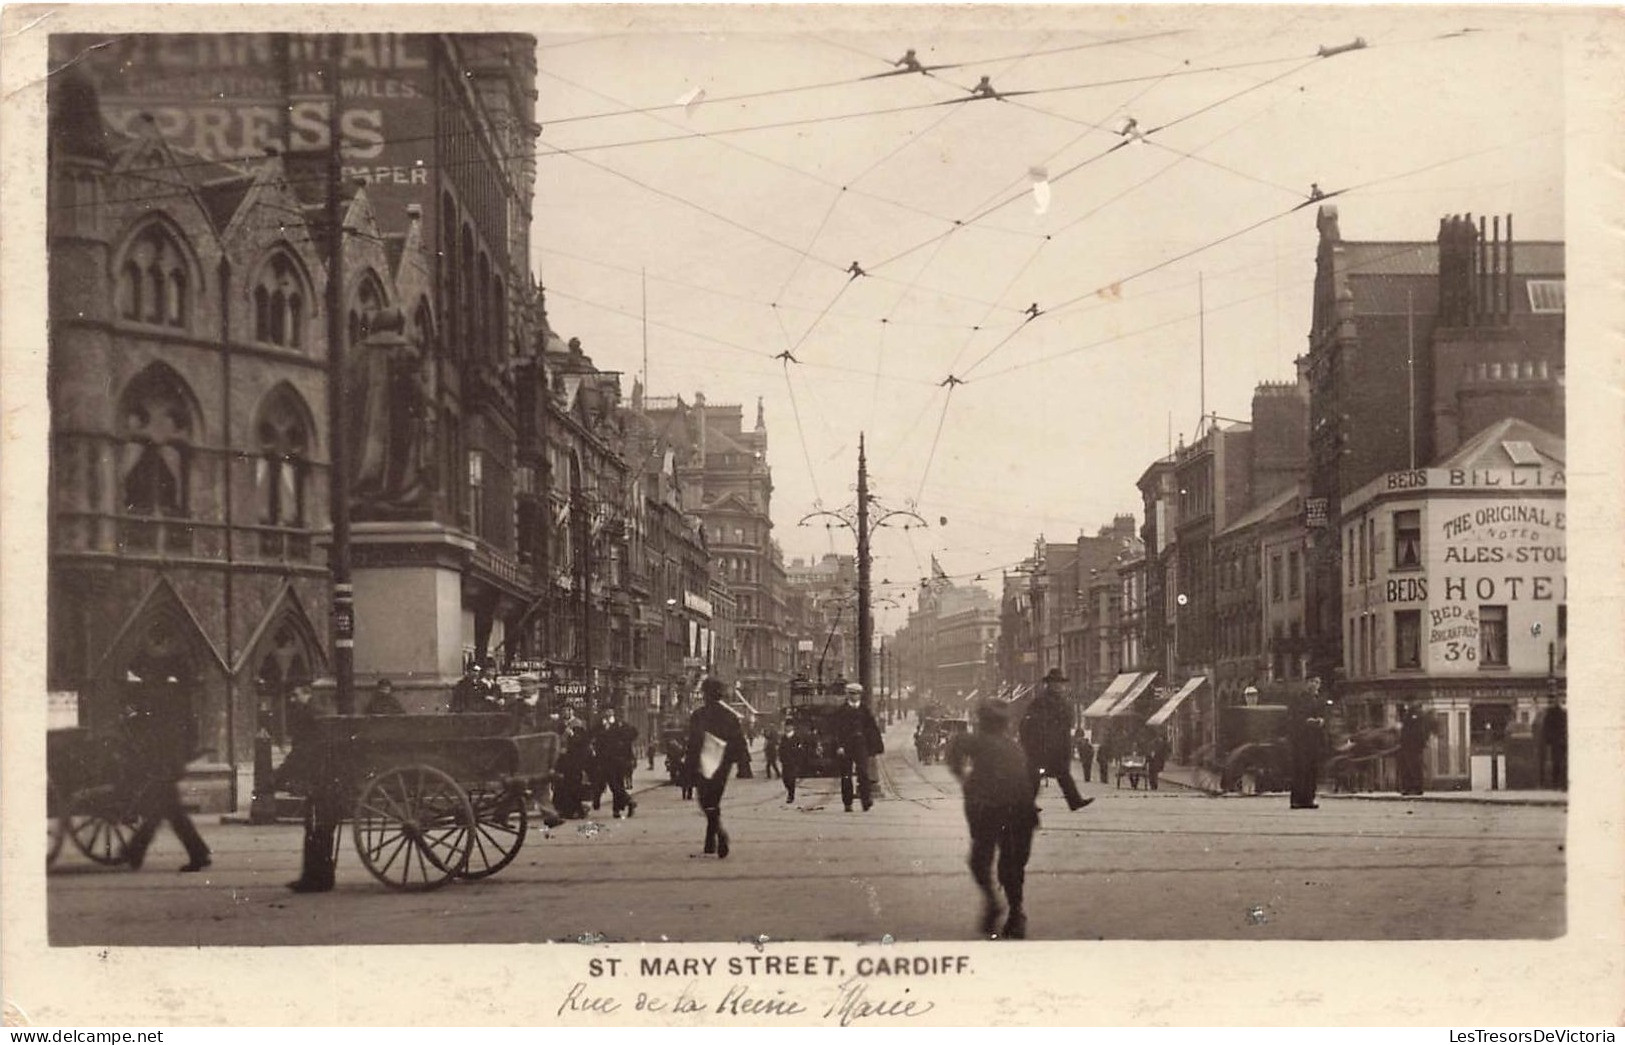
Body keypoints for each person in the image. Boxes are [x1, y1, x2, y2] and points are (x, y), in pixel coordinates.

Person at [946, 701, 1039, 940]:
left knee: (980, 862)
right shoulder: (1015, 747)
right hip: (1020, 812)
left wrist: (962, 775)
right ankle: (1016, 913)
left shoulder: (979, 741)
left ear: (983, 722)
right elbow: (1030, 781)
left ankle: (994, 903)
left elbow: (955, 745)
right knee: (1012, 866)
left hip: (989, 810)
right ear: (1006, 724)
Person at [123, 691, 212, 873]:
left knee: (167, 814)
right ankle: (198, 853)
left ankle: (135, 851)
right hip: (166, 772)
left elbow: (165, 749)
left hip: (164, 773)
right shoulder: (164, 720)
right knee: (166, 814)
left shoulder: (161, 724)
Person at [277, 683, 339, 892]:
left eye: (295, 694)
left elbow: (302, 751)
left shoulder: (310, 716)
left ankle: (314, 879)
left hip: (320, 780)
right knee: (320, 828)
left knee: (315, 828)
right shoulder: (317, 713)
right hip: (326, 778)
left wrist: (279, 776)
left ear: (308, 694)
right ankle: (321, 877)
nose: (292, 699)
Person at [684, 677, 752, 857]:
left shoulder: (698, 715)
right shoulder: (730, 716)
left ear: (706, 695)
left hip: (703, 763)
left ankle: (719, 835)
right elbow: (738, 740)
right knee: (714, 800)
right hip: (723, 764)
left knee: (704, 801)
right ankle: (711, 840)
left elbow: (693, 743)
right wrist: (742, 764)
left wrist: (688, 767)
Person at [1018, 669, 1092, 812]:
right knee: (1036, 776)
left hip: (1056, 746)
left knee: (1061, 774)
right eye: (1056, 683)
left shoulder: (1062, 701)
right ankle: (1028, 804)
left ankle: (1074, 801)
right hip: (1043, 746)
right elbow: (1030, 723)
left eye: (1060, 683)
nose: (1059, 686)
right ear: (1049, 684)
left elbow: (1066, 723)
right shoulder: (1042, 701)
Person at [832, 682, 882, 812]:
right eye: (852, 694)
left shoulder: (865, 710)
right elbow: (836, 730)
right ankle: (847, 802)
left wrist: (874, 747)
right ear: (847, 695)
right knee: (846, 775)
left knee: (863, 773)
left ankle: (866, 800)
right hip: (846, 746)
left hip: (861, 745)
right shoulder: (841, 711)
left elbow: (872, 729)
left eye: (857, 694)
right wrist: (839, 746)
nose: (855, 697)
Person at [1288, 685, 1328, 810]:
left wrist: (1321, 720)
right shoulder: (1299, 699)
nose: (1315, 685)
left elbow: (1324, 714)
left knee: (1312, 770)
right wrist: (1307, 721)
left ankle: (1309, 798)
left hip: (1314, 740)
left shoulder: (1319, 699)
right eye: (1312, 681)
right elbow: (1294, 717)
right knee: (1301, 770)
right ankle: (1296, 799)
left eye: (1317, 681)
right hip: (1301, 741)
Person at [596, 708, 639, 819]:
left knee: (617, 784)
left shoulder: (620, 724)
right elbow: (594, 737)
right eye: (605, 711)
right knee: (614, 785)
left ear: (613, 712)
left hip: (619, 759)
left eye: (609, 711)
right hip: (605, 760)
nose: (607, 713)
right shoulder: (600, 725)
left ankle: (619, 808)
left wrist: (623, 743)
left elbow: (634, 733)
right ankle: (627, 802)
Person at [1397, 703, 1430, 796]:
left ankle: (1415, 787)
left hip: (1412, 746)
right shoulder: (1410, 716)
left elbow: (1416, 732)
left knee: (1413, 767)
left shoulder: (1414, 716)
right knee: (1409, 767)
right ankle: (1410, 788)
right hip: (1408, 746)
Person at [779, 719, 808, 803]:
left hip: (793, 762)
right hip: (785, 762)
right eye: (786, 726)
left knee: (791, 779)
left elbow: (800, 750)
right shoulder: (783, 738)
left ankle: (791, 795)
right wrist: (781, 758)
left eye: (789, 726)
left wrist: (798, 760)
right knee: (785, 779)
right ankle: (789, 790)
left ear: (792, 727)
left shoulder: (797, 738)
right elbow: (781, 749)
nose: (787, 727)